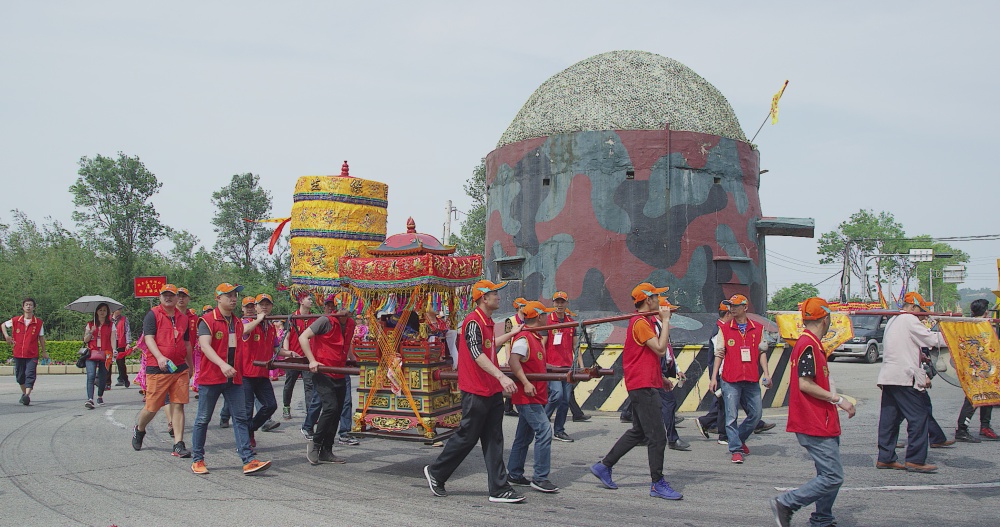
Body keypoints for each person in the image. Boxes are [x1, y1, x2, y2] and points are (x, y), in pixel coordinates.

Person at [423, 279, 526, 503]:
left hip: (491, 390)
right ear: (483, 298)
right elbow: (476, 353)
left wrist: (512, 334)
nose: (498, 297)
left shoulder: (487, 322)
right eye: (494, 294)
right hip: (476, 390)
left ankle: (499, 489)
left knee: (494, 439)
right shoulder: (472, 322)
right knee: (466, 437)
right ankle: (436, 472)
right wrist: (501, 376)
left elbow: (488, 345)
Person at [589, 282, 683, 500]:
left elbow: (645, 357)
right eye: (656, 298)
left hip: (646, 382)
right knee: (657, 436)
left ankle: (604, 466)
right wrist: (666, 321)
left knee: (639, 431)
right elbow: (659, 349)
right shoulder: (640, 322)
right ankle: (657, 483)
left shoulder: (644, 321)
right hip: (642, 386)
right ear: (648, 300)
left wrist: (660, 378)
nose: (660, 301)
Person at [770, 297, 856, 527]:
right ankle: (786, 502)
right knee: (832, 476)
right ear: (825, 319)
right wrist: (838, 399)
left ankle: (822, 518)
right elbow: (805, 384)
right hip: (814, 420)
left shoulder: (811, 344)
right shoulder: (808, 345)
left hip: (821, 419)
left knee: (826, 474)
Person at [190, 283, 271, 476]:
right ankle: (197, 459)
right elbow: (205, 346)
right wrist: (222, 365)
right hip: (211, 377)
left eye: (235, 295)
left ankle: (248, 459)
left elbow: (244, 331)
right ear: (217, 298)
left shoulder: (235, 322)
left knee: (241, 418)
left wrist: (259, 319)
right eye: (228, 295)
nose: (233, 298)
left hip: (233, 378)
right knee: (203, 419)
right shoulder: (207, 320)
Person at [875, 291, 948, 473]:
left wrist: (919, 354)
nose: (923, 314)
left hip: (890, 376)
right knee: (919, 416)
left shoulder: (894, 320)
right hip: (904, 377)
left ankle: (886, 457)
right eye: (922, 309)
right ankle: (915, 459)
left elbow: (904, 345)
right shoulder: (909, 319)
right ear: (913, 307)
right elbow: (932, 339)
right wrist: (954, 336)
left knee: (889, 419)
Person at [708, 294, 772, 464]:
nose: (732, 309)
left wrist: (766, 374)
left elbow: (762, 352)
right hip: (730, 379)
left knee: (756, 414)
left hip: (751, 378)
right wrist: (714, 377)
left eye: (736, 305)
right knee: (731, 416)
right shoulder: (725, 328)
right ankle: (735, 449)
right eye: (730, 306)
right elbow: (719, 354)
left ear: (745, 307)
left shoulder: (757, 328)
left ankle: (739, 438)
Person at [131, 284, 193, 458]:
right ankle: (140, 429)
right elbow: (149, 338)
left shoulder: (183, 318)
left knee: (178, 404)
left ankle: (178, 444)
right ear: (160, 297)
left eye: (172, 295)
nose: (169, 298)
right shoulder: (153, 315)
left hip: (179, 367)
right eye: (165, 295)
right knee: (152, 407)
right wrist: (159, 357)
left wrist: (190, 365)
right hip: (158, 367)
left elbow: (187, 343)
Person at [297, 293, 357, 465]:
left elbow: (346, 342)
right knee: (330, 408)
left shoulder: (351, 323)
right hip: (323, 370)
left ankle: (327, 450)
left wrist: (351, 357)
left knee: (338, 410)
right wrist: (311, 360)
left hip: (339, 369)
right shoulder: (326, 320)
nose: (346, 309)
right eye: (343, 305)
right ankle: (315, 444)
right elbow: (303, 337)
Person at [506, 300, 559, 493]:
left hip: (535, 396)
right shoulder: (524, 339)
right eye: (545, 315)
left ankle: (514, 472)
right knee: (544, 432)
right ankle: (540, 477)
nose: (548, 318)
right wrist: (526, 382)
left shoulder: (534, 337)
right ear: (538, 317)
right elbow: (513, 361)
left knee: (524, 436)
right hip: (528, 397)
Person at [240, 294, 286, 451]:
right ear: (256, 307)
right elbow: (243, 331)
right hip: (246, 373)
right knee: (246, 410)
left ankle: (250, 428)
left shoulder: (271, 327)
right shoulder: (246, 322)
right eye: (261, 304)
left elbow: (276, 349)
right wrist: (259, 319)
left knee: (271, 405)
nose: (265, 307)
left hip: (262, 373)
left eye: (268, 304)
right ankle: (245, 443)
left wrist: (292, 354)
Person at [955, 298, 998, 442]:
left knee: (989, 396)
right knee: (973, 398)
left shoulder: (969, 324)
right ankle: (962, 429)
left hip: (986, 367)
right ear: (986, 312)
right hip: (977, 368)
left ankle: (985, 426)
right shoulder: (980, 325)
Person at [545, 291, 585, 442]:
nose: (559, 305)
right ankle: (542, 421)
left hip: (567, 366)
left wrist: (581, 366)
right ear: (553, 303)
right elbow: (542, 344)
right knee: (557, 394)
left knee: (565, 399)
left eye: (562, 302)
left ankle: (559, 430)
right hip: (552, 367)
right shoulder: (548, 321)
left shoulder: (571, 322)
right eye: (557, 302)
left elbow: (576, 346)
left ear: (567, 303)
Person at [655, 297, 689, 451]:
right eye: (668, 309)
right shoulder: (655, 328)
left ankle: (641, 433)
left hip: (662, 370)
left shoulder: (663, 327)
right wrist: (660, 375)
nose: (671, 313)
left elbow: (668, 351)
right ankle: (672, 439)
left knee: (646, 405)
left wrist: (677, 369)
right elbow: (655, 352)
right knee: (669, 403)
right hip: (657, 371)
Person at [3, 297, 47, 405]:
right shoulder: (15, 320)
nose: (28, 307)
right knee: (20, 376)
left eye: (30, 305)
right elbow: (3, 325)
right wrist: (6, 336)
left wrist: (44, 351)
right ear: (23, 307)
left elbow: (41, 338)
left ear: (34, 307)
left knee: (30, 374)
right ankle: (24, 394)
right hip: (18, 353)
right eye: (26, 305)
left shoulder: (38, 323)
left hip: (32, 354)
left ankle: (27, 395)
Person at [282, 292, 317, 424]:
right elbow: (286, 336)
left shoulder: (314, 318)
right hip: (294, 356)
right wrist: (287, 353)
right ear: (301, 301)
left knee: (309, 385)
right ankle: (286, 406)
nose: (311, 301)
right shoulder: (292, 317)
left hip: (308, 357)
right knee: (289, 383)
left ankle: (310, 412)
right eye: (309, 298)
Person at [501, 298, 528, 417]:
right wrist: (507, 357)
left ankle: (508, 407)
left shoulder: (527, 320)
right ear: (518, 307)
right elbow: (506, 340)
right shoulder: (510, 320)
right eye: (523, 306)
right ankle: (511, 406)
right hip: (513, 352)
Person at [82, 303, 112, 409]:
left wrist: (114, 351)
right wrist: (90, 332)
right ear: (96, 312)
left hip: (106, 353)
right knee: (90, 375)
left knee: (103, 376)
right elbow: (85, 340)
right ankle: (90, 399)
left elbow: (112, 339)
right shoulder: (90, 324)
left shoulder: (110, 325)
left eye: (104, 310)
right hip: (91, 353)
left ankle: (100, 396)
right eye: (100, 310)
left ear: (107, 312)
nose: (102, 312)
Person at [111, 308, 131, 388]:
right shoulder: (108, 319)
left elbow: (127, 331)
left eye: (120, 309)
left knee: (121, 363)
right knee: (108, 362)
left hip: (120, 343)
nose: (118, 311)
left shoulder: (124, 319)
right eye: (117, 309)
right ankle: (107, 382)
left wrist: (128, 343)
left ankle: (124, 379)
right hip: (111, 343)